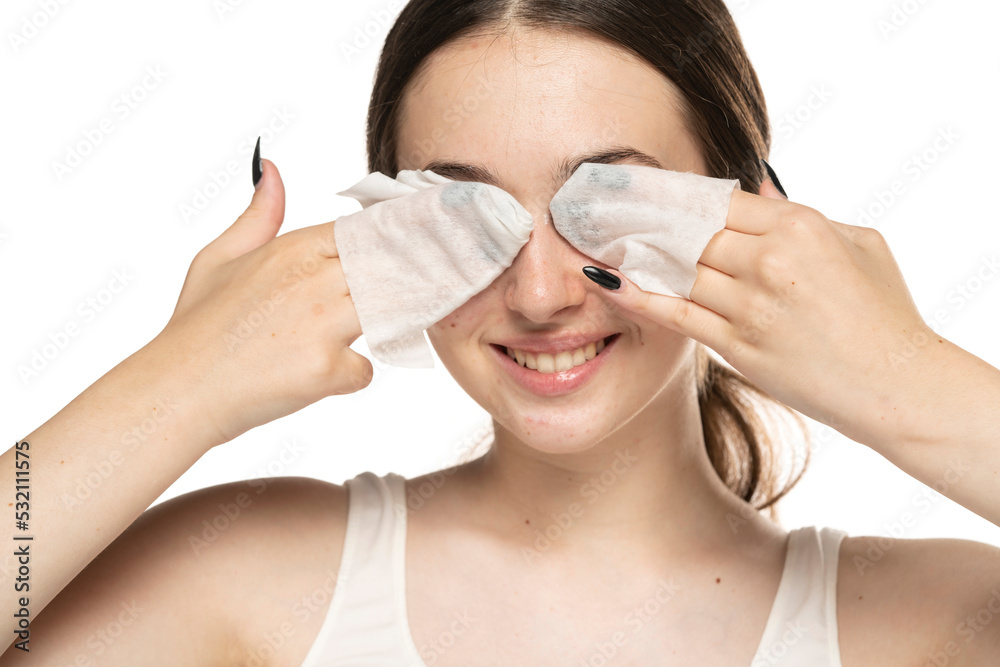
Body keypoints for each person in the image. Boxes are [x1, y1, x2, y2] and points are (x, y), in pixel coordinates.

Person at [4, 0, 1000, 664]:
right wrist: (181, 384)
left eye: (605, 205)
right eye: (462, 217)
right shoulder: (244, 576)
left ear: (741, 209)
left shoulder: (927, 623)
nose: (538, 292)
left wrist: (906, 379)